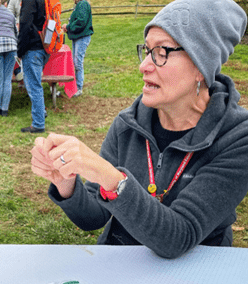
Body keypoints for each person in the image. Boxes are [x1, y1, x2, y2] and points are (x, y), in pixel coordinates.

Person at [30, 0, 248, 258]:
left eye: (161, 52)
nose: (143, 66)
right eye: (146, 51)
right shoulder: (128, 124)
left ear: (201, 66)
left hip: (197, 277)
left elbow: (179, 236)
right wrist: (66, 184)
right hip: (122, 273)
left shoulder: (237, 138)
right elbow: (95, 217)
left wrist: (112, 179)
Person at [18, 0, 49, 133]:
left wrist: (20, 50)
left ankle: (38, 123)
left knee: (34, 86)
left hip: (33, 47)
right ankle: (40, 112)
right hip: (44, 44)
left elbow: (25, 24)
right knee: (36, 84)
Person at [62, 0, 93, 97]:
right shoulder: (80, 4)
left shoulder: (82, 3)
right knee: (75, 62)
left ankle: (79, 87)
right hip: (78, 37)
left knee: (78, 62)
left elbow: (81, 22)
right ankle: (74, 86)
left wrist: (68, 26)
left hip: (82, 38)